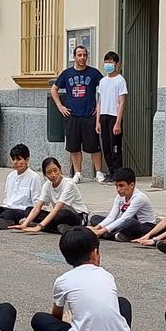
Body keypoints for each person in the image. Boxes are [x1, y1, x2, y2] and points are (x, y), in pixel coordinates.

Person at [32, 225, 133, 331]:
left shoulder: (63, 280)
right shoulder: (106, 275)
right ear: (94, 253)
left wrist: (69, 323)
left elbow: (56, 315)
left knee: (39, 319)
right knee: (123, 302)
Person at [50, 43, 102, 181]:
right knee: (74, 146)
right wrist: (60, 106)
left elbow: (104, 89)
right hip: (72, 115)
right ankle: (78, 173)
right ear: (74, 57)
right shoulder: (67, 74)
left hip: (89, 114)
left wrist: (99, 106)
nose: (82, 58)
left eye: (84, 55)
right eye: (79, 55)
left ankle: (98, 172)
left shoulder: (94, 73)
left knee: (94, 146)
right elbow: (54, 89)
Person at [9, 155, 85, 233]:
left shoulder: (69, 184)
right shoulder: (47, 185)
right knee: (29, 210)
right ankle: (58, 227)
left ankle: (42, 226)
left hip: (77, 216)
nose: (53, 175)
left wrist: (39, 227)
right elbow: (37, 207)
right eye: (49, 172)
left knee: (63, 213)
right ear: (45, 175)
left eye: (55, 170)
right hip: (57, 215)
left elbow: (57, 209)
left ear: (60, 170)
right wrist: (24, 224)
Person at [89, 167, 154, 242]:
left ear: (132, 185)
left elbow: (124, 218)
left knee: (131, 222)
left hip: (142, 226)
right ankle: (117, 234)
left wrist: (101, 231)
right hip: (123, 223)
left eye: (121, 185)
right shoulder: (120, 197)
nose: (118, 189)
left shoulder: (139, 198)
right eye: (116, 186)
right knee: (95, 218)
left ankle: (108, 234)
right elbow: (111, 217)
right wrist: (96, 228)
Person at [96, 51, 128, 181]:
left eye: (111, 62)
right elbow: (100, 101)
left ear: (116, 64)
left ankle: (117, 173)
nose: (108, 65)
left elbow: (122, 102)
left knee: (115, 147)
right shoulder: (103, 81)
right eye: (106, 62)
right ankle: (110, 171)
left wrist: (118, 122)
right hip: (104, 115)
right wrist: (97, 121)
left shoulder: (120, 80)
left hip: (114, 116)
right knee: (106, 146)